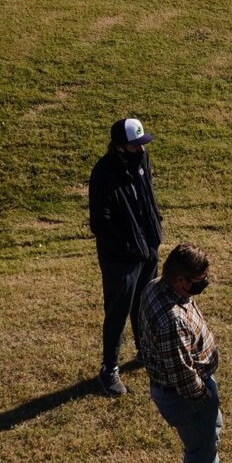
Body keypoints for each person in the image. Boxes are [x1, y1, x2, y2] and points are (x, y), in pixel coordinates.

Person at [131, 243, 232, 463]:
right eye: (199, 282)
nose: (204, 285)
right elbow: (182, 375)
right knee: (199, 450)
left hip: (187, 389)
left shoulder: (156, 286)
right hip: (186, 396)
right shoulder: (172, 321)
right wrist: (203, 395)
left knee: (209, 439)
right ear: (181, 280)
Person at [89, 117, 164, 396]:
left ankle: (144, 351)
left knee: (144, 304)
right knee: (117, 312)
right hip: (121, 258)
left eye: (143, 144)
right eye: (136, 146)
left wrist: (155, 229)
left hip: (148, 250)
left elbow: (149, 197)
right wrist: (126, 246)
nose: (142, 149)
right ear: (121, 147)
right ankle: (109, 370)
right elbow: (100, 222)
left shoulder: (142, 162)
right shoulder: (103, 173)